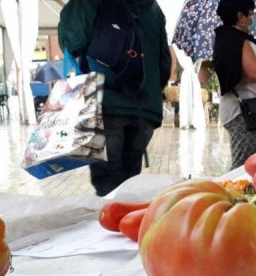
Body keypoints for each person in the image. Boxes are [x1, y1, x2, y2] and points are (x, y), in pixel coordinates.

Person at [58, 0, 171, 196]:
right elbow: (164, 64)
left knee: (107, 183)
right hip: (145, 110)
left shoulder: (88, 3)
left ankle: (112, 222)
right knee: (129, 181)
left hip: (104, 105)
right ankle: (126, 222)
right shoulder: (153, 9)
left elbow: (72, 41)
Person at [212, 0, 256, 169]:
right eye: (250, 14)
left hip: (254, 111)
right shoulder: (236, 39)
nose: (252, 18)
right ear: (239, 16)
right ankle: (237, 194)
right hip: (244, 114)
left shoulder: (233, 38)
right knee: (246, 168)